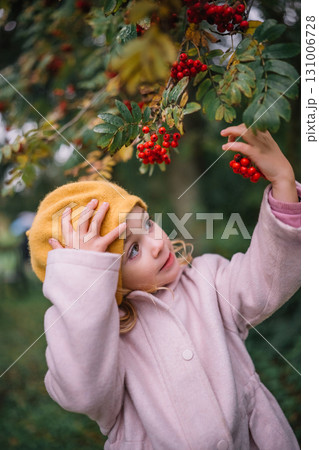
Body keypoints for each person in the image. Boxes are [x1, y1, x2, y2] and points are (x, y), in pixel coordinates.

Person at [27, 124, 301, 449]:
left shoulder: (207, 280)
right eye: (133, 250)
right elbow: (82, 390)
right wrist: (83, 281)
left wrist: (284, 182)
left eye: (148, 226)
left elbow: (266, 280)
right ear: (104, 283)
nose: (157, 244)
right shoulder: (104, 346)